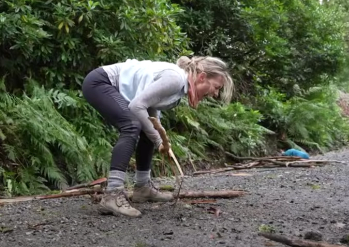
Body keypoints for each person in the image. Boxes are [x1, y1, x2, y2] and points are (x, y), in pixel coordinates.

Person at [81, 56, 234, 217]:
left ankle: (143, 188)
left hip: (107, 86)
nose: (215, 94)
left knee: (147, 129)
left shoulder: (179, 87)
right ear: (202, 77)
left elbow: (150, 110)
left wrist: (159, 136)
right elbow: (136, 106)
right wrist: (158, 139)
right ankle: (112, 194)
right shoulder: (175, 79)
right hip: (100, 83)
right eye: (216, 87)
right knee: (132, 125)